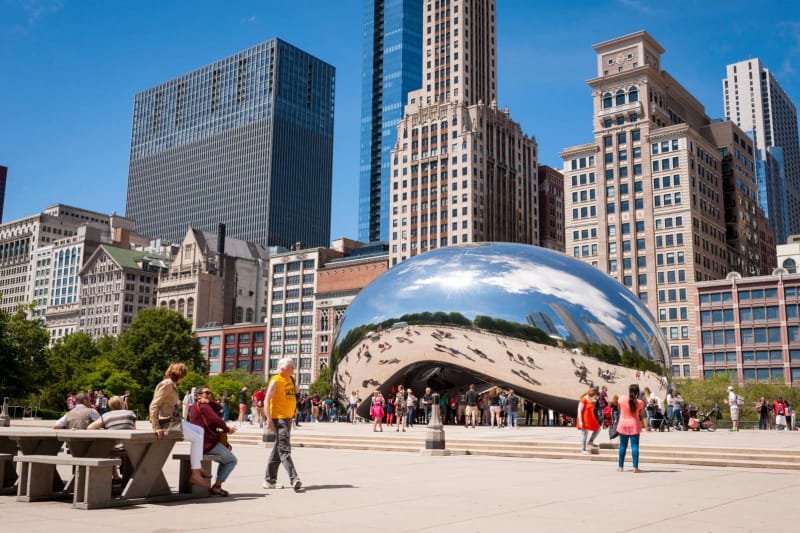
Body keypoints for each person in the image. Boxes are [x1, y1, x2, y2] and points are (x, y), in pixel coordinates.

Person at [149, 362, 209, 488]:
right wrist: (156, 426)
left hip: (173, 420)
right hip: (167, 422)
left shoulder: (171, 385)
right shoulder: (167, 384)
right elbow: (154, 405)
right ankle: (195, 474)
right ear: (181, 374)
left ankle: (197, 464)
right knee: (196, 438)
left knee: (200, 430)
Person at [188, 387, 238, 496]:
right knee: (231, 460)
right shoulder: (204, 406)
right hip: (207, 444)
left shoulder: (194, 406)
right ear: (198, 395)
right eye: (206, 393)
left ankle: (215, 483)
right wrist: (227, 429)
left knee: (227, 457)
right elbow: (216, 419)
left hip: (200, 444)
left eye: (210, 393)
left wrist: (209, 401)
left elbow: (218, 408)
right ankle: (217, 486)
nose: (209, 395)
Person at [263, 358, 302, 492]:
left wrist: (296, 390)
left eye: (292, 367)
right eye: (290, 367)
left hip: (287, 418)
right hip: (278, 418)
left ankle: (270, 480)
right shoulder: (275, 381)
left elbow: (293, 394)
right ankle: (294, 478)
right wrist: (268, 419)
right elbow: (266, 400)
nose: (293, 369)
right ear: (282, 369)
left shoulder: (291, 378)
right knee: (284, 449)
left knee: (277, 449)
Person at [617, 384, 645, 473]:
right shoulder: (640, 402)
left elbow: (619, 408)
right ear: (637, 392)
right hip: (634, 425)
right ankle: (635, 467)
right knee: (635, 446)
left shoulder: (621, 399)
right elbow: (641, 413)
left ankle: (620, 467)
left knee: (622, 446)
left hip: (623, 425)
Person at [576, 388, 600, 454]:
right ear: (591, 395)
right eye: (594, 396)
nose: (595, 397)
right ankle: (583, 449)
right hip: (584, 419)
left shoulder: (590, 399)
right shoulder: (583, 400)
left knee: (598, 429)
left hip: (591, 418)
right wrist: (580, 421)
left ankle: (590, 441)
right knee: (584, 434)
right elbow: (579, 411)